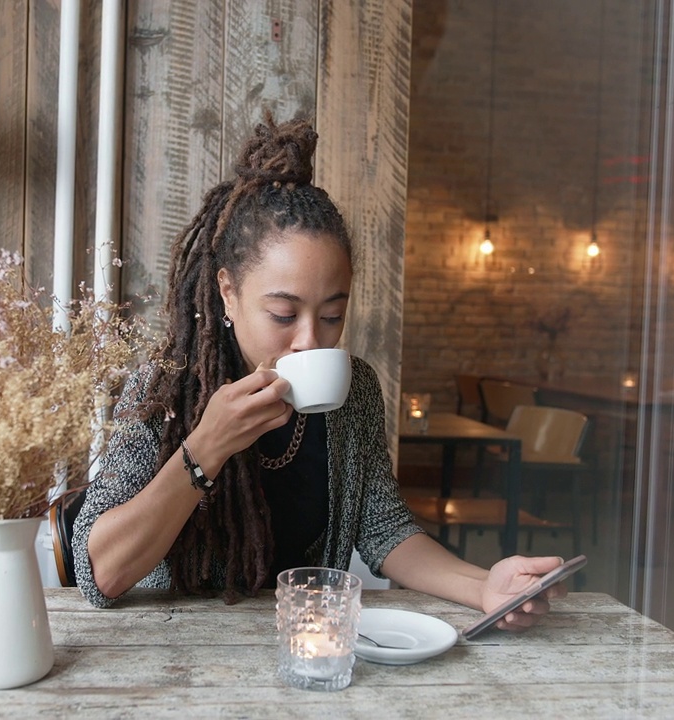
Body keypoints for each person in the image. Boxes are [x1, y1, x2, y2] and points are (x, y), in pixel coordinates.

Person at [72, 115, 566, 630]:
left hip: (311, 647)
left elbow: (385, 529)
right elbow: (99, 572)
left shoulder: (355, 394)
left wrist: (483, 586)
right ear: (228, 293)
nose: (310, 340)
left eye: (332, 315)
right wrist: (206, 448)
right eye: (284, 315)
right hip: (178, 655)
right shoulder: (164, 387)